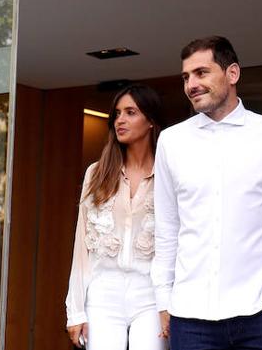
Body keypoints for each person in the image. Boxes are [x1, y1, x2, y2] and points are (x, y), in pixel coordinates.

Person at [151, 36, 262, 350]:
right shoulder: (171, 142)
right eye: (186, 77)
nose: (191, 84)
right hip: (189, 317)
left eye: (201, 73)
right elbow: (167, 228)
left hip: (259, 314)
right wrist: (164, 299)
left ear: (232, 74)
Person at [65, 85, 166, 350]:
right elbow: (81, 248)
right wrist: (75, 311)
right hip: (102, 294)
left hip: (151, 294)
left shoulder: (169, 174)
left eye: (130, 112)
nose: (120, 120)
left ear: (151, 121)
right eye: (118, 114)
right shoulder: (96, 173)